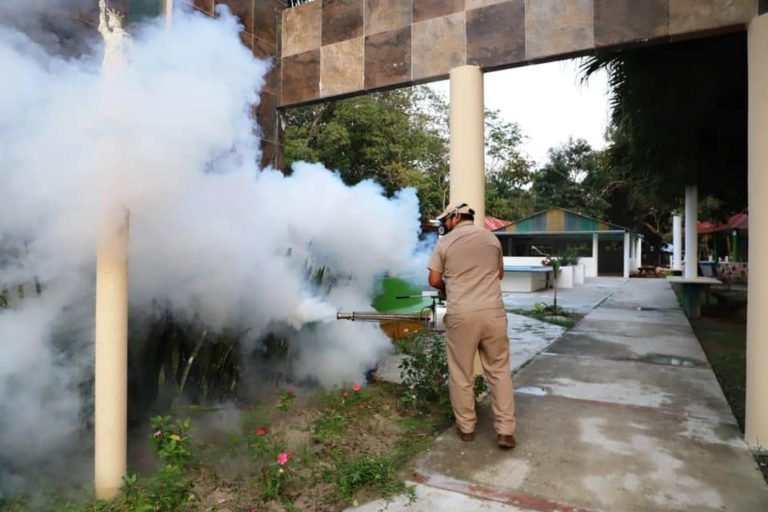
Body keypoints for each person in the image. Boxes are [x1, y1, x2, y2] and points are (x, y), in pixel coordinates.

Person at [427, 202, 516, 449]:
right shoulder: (491, 240)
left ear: (455, 216)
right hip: (493, 314)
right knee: (499, 371)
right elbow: (499, 274)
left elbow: (433, 279)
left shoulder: (445, 243)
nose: (444, 224)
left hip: (462, 315)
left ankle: (466, 429)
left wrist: (448, 287)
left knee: (461, 373)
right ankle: (506, 432)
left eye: (445, 220)